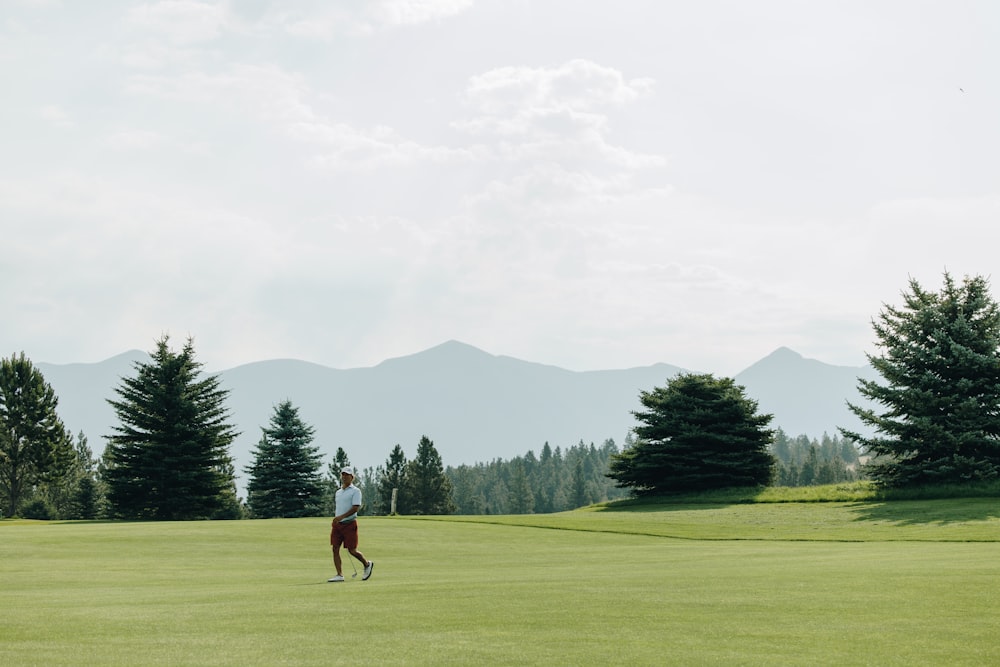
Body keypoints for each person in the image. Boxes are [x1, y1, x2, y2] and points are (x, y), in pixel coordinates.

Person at [328, 466, 374, 582]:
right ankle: (339, 575)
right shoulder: (338, 492)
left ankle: (367, 564)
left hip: (349, 524)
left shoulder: (356, 491)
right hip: (338, 525)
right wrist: (337, 519)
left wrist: (341, 517)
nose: (344, 477)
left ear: (352, 477)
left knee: (352, 550)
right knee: (335, 548)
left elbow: (355, 508)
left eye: (347, 475)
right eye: (343, 475)